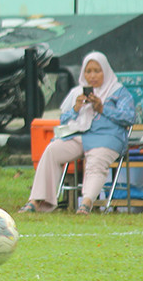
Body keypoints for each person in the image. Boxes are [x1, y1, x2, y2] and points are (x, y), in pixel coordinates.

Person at [20, 51, 136, 215]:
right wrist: (76, 108)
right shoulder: (77, 93)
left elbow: (129, 118)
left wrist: (102, 108)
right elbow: (64, 119)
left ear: (106, 71)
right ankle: (37, 201)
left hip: (107, 138)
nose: (92, 76)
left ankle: (86, 204)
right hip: (79, 135)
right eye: (88, 71)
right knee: (52, 151)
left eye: (97, 71)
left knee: (96, 161)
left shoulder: (118, 92)